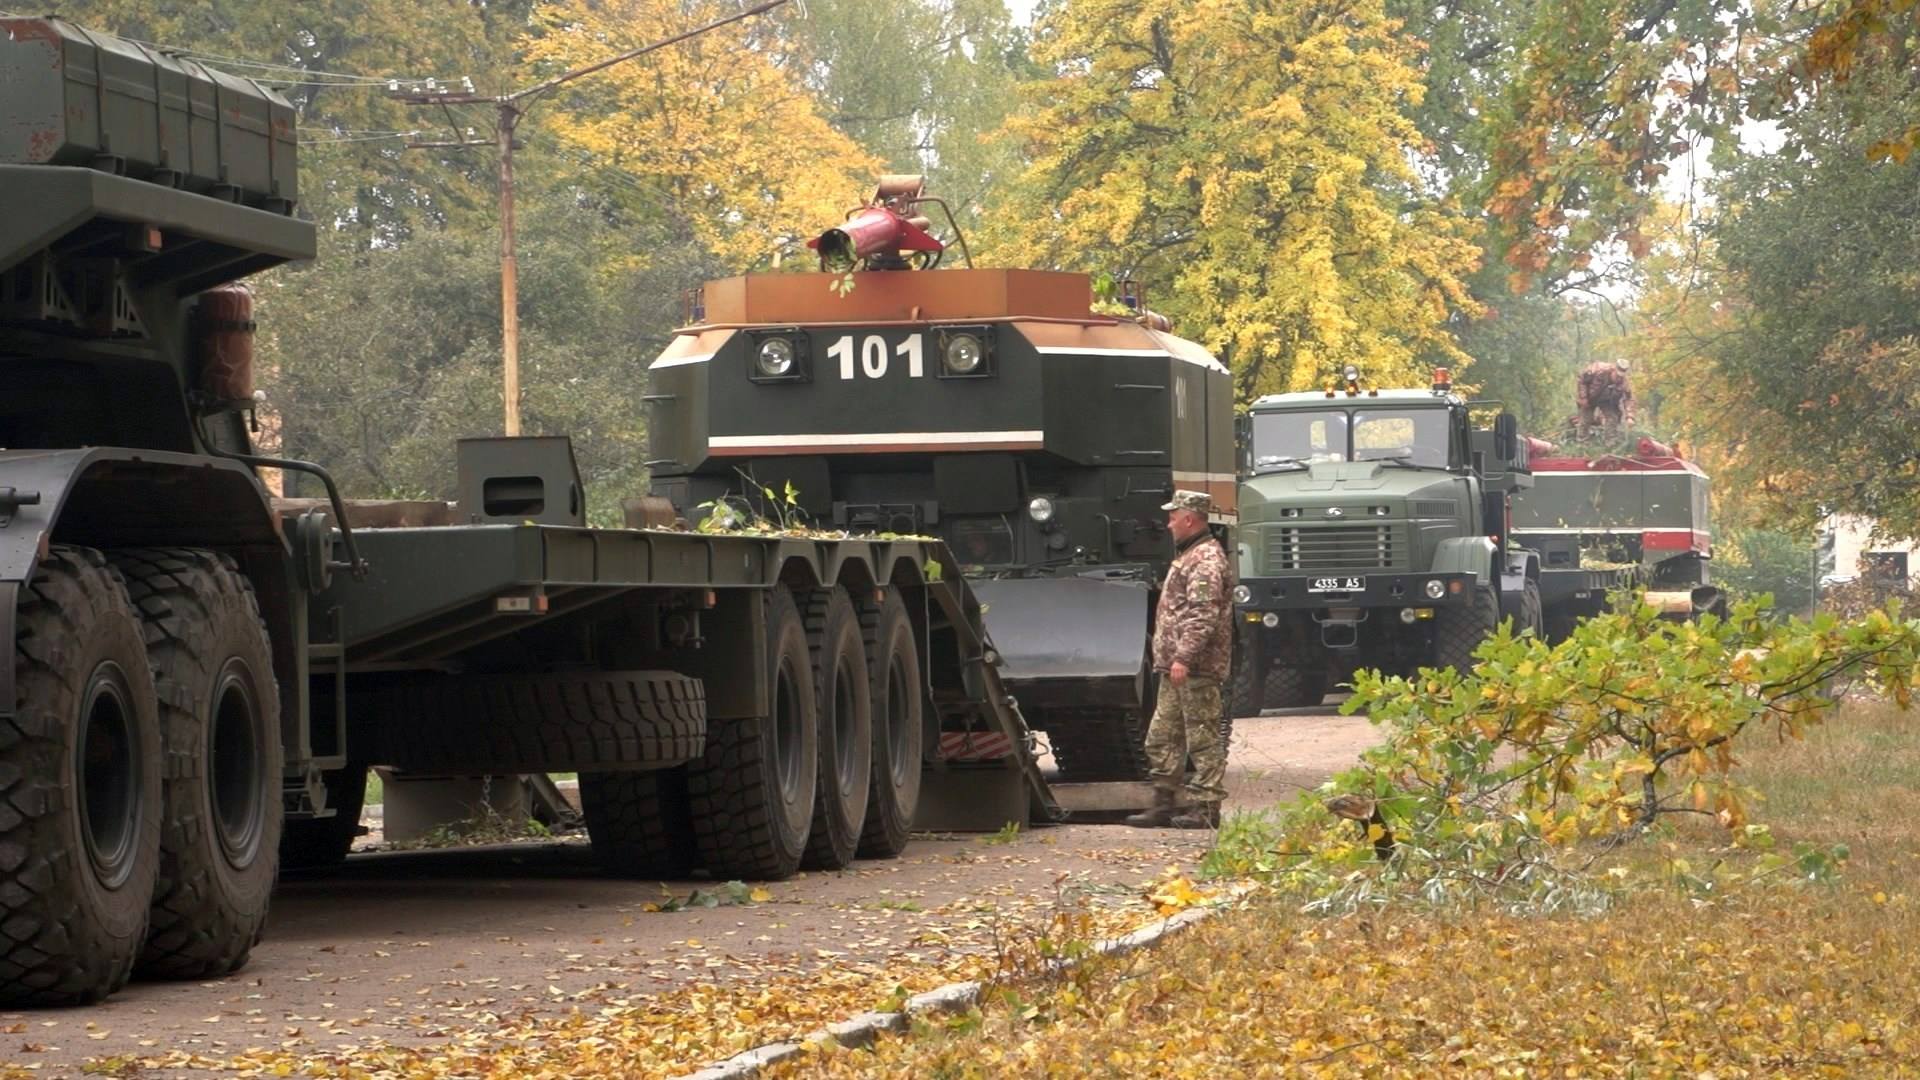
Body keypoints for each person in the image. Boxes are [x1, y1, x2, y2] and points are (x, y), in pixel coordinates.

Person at [1126, 490, 1233, 829]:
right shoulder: (1189, 556)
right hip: (1176, 667)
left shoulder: (1205, 561)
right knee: (1162, 736)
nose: (1168, 522)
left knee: (1202, 737)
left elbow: (1203, 615)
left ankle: (1206, 809)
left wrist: (1184, 657)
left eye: (1173, 516)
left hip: (1195, 668)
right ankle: (1163, 803)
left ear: (1190, 519)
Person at [1576, 358, 1635, 438]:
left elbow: (1629, 399)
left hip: (1606, 401)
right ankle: (1582, 442)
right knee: (1586, 419)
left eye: (1621, 377)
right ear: (1613, 370)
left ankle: (1610, 442)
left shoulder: (1624, 383)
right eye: (1617, 375)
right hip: (1589, 397)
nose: (1618, 378)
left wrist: (1630, 416)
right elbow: (1582, 380)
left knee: (1613, 418)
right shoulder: (1597, 369)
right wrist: (1583, 397)